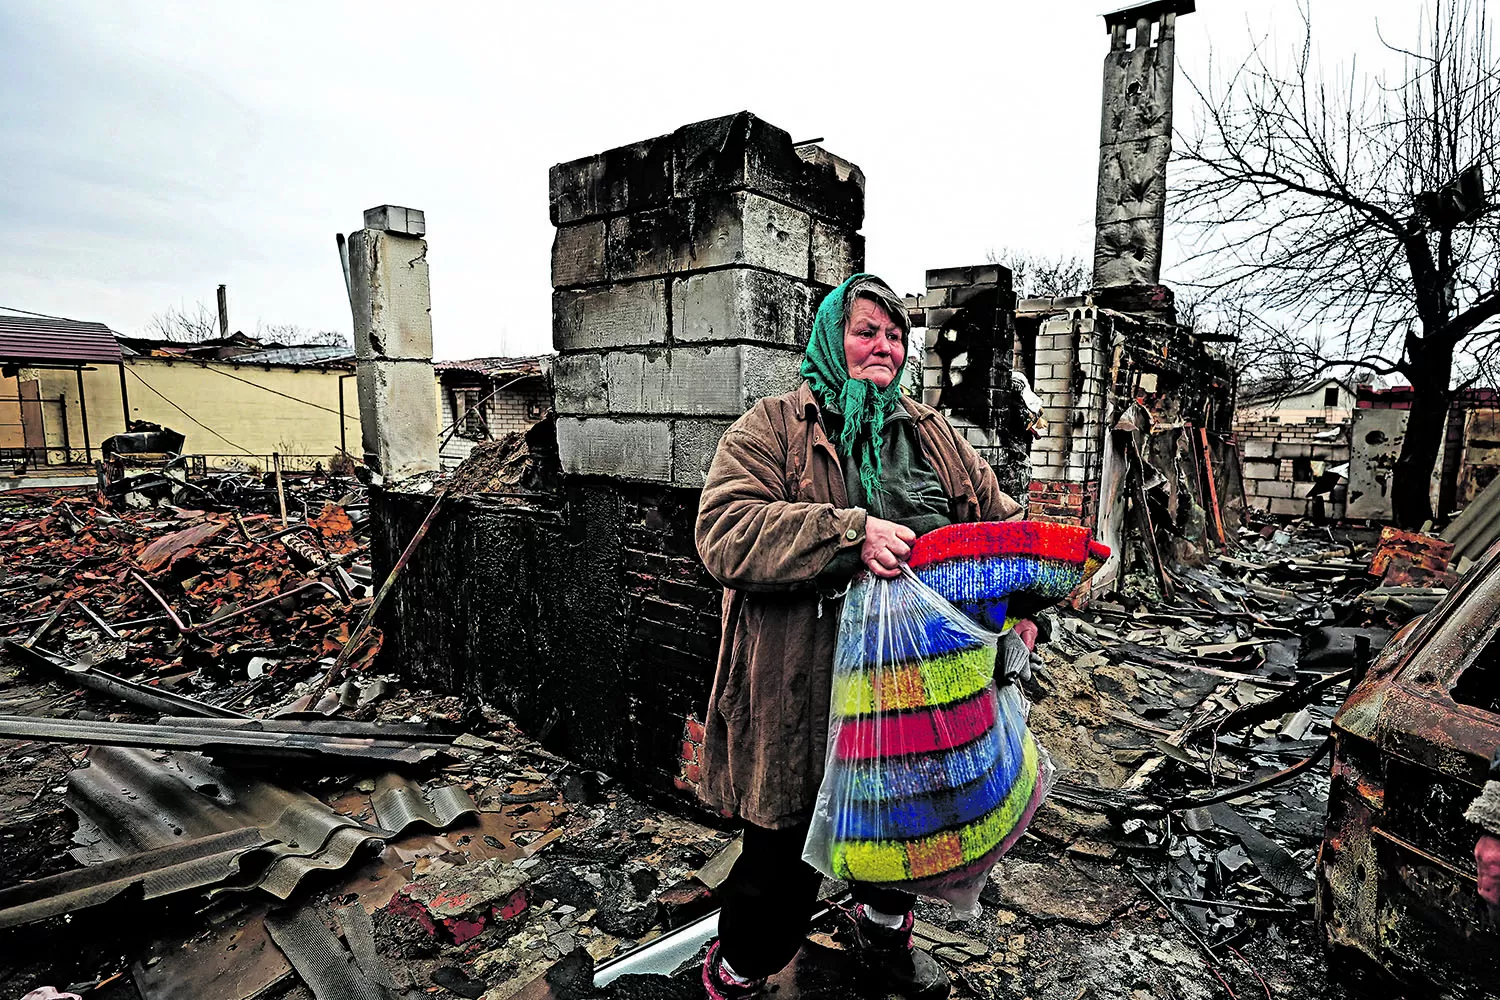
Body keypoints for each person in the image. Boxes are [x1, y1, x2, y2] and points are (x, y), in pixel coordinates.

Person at [694, 273, 1024, 999]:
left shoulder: (930, 434)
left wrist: (1032, 601)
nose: (884, 346)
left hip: (916, 696)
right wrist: (847, 533)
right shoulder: (775, 427)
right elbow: (723, 532)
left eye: (896, 334)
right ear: (831, 338)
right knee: (778, 868)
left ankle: (882, 932)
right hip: (801, 694)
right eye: (866, 330)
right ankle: (737, 974)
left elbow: (1000, 526)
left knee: (905, 831)